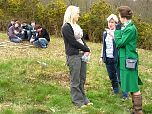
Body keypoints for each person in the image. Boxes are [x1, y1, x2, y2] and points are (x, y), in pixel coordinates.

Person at [61, 5, 92, 108]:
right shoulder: (66, 27)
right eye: (77, 13)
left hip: (82, 54)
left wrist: (87, 49)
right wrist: (86, 49)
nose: (79, 15)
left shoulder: (77, 26)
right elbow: (73, 42)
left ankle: (84, 99)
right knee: (75, 80)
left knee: (82, 78)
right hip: (73, 56)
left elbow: (81, 39)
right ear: (72, 14)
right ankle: (77, 102)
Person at [114, 6, 143, 114]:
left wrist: (116, 33)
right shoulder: (126, 27)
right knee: (131, 84)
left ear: (123, 17)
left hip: (129, 61)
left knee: (134, 85)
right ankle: (135, 109)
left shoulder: (130, 28)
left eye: (119, 16)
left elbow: (120, 43)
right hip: (125, 60)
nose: (118, 18)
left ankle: (138, 111)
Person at [99, 14, 128, 99]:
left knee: (120, 77)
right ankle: (115, 91)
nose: (110, 24)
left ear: (116, 23)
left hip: (118, 58)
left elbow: (122, 44)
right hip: (108, 58)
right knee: (112, 76)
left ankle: (125, 94)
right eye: (109, 22)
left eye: (112, 22)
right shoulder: (105, 33)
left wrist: (113, 36)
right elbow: (103, 46)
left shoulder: (119, 33)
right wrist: (101, 57)